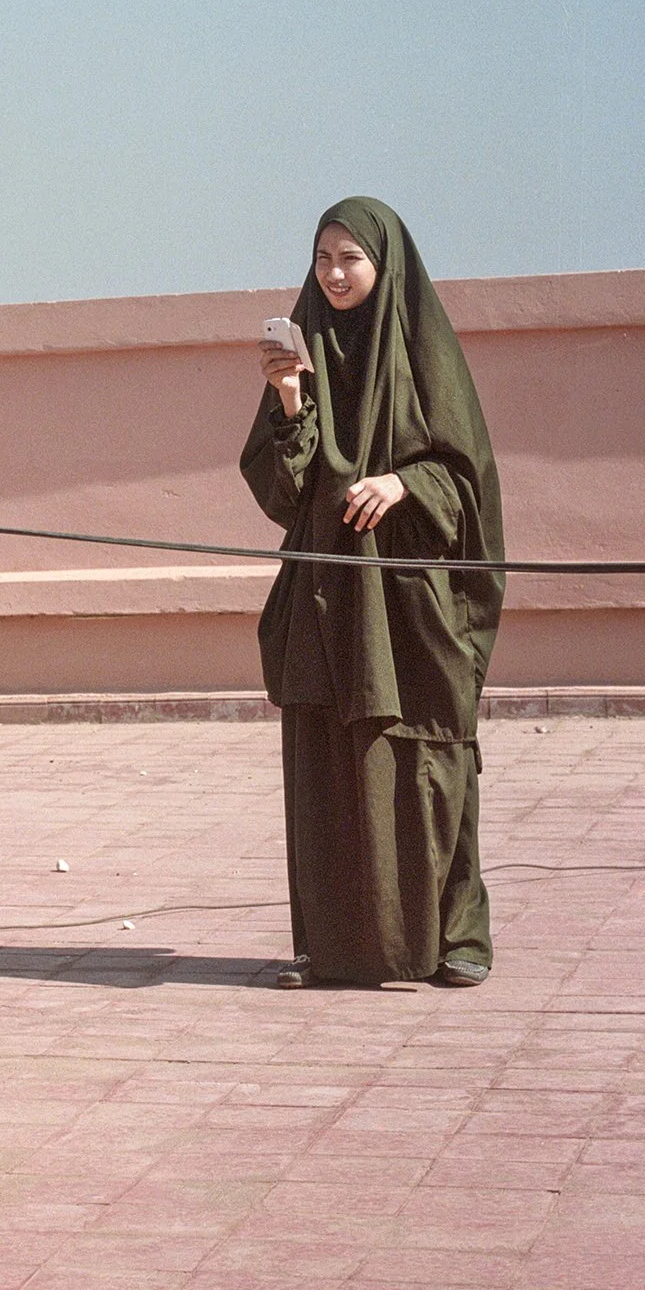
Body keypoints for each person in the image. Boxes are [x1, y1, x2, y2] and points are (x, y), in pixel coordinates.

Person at [240, 198, 503, 988]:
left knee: (430, 759)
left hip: (410, 600)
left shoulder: (424, 354)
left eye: (350, 257)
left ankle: (457, 937)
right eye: (323, 258)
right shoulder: (309, 347)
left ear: (384, 266)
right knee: (329, 769)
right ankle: (332, 947)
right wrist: (292, 397)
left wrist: (402, 481)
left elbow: (466, 479)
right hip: (329, 597)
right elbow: (284, 492)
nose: (334, 273)